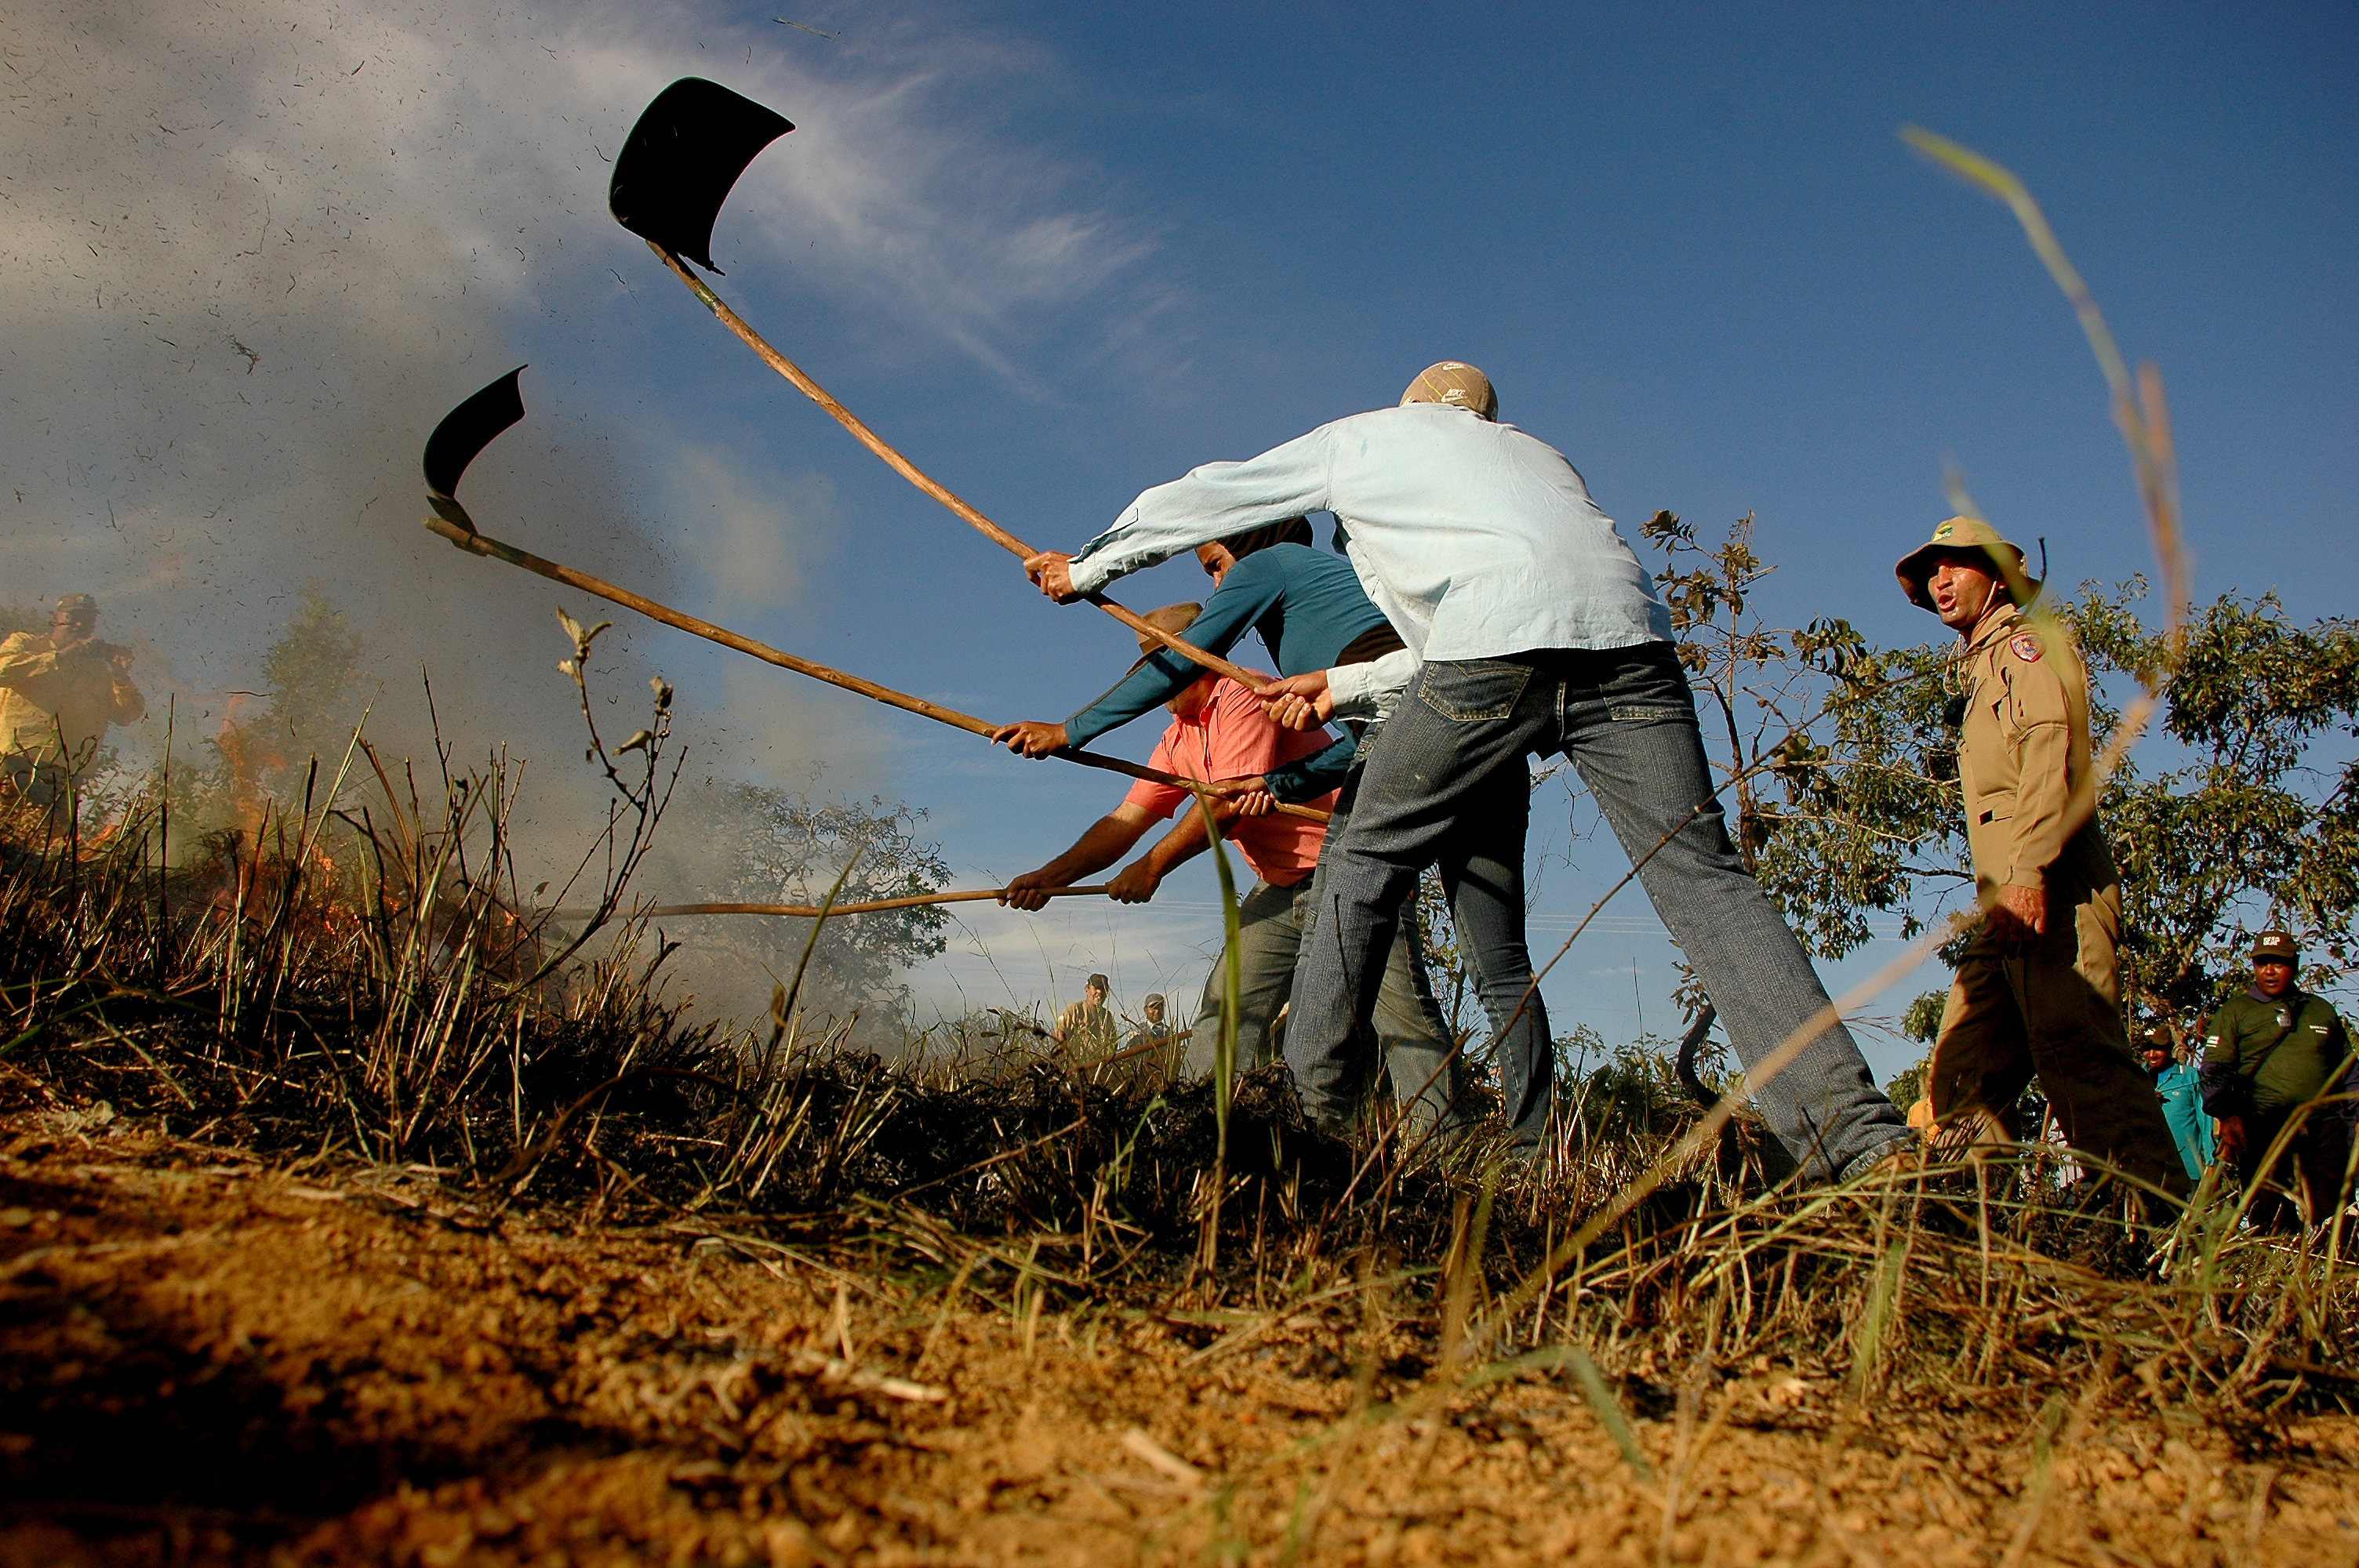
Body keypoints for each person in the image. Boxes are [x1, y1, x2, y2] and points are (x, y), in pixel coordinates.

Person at [1020, 362, 1909, 1173]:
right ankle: (1862, 1143)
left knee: (1358, 864)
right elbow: (1478, 620)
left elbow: (1212, 493)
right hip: (1630, 648)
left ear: (1413, 411)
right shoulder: (1537, 458)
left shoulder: (1367, 439)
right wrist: (1338, 684)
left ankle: (1298, 1134)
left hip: (1483, 659)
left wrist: (1086, 569)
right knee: (1707, 885)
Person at [993, 518, 1464, 1131]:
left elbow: (1225, 804)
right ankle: (1197, 1132)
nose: (1159, 687)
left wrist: (1154, 867)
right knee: (1225, 1010)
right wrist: (1047, 879)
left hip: (1348, 867)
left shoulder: (1246, 697)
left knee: (1400, 1020)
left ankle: (1448, 1153)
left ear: (1193, 662)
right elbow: (1123, 821)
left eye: (1165, 668)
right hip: (1280, 887)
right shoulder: (1177, 739)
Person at [1896, 517, 2186, 1196]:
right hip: (2004, 910)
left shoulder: (2030, 646)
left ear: (1998, 577)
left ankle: (2162, 1229)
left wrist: (2027, 878)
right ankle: (1972, 1232)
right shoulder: (1976, 668)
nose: (1941, 579)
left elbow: (2053, 755)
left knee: (2081, 1062)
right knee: (1956, 1078)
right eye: (1933, 569)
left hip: (2054, 895)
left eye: (1959, 565)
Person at [2199, 931, 2357, 1229]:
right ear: (2255, 966)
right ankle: (2269, 1273)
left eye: (2279, 963)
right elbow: (2213, 1070)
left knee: (2331, 1220)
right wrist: (2227, 1115)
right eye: (2262, 963)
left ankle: (2330, 1272)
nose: (2270, 971)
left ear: (2295, 965)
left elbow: (2349, 1071)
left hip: (2323, 1132)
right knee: (2269, 1219)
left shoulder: (2321, 1011)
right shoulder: (2235, 1011)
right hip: (2262, 1130)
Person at [0, 593, 144, 811]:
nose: (79, 624)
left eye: (87, 619)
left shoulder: (97, 672)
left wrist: (120, 675)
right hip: (16, 760)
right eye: (74, 616)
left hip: (65, 774)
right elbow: (3, 671)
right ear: (56, 617)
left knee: (52, 841)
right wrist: (65, 655)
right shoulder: (25, 643)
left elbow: (127, 714)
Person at [2143, 1022, 2213, 1185]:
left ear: (2169, 1048)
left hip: (2187, 1171)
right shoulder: (2137, 1080)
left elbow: (2206, 1122)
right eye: (2147, 1049)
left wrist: (2211, 1163)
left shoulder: (2191, 1077)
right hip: (2149, 1174)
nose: (2152, 1055)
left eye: (2158, 1048)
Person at [1052, 973, 1119, 1058]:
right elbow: (1059, 1033)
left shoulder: (1107, 1016)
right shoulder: (1074, 1010)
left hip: (1101, 1064)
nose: (1100, 992)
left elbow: (1113, 1042)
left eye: (1103, 988)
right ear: (1087, 990)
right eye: (1096, 988)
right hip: (1077, 1063)